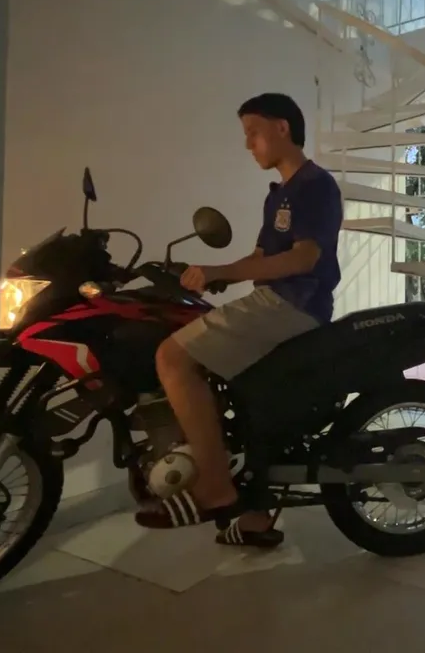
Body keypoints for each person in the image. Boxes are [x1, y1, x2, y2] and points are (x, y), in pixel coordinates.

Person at [136, 93, 342, 548]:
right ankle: (254, 516)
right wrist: (214, 275)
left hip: (294, 303)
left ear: (282, 128)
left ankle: (214, 487)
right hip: (278, 300)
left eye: (253, 132)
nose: (248, 144)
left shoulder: (315, 185)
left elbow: (304, 258)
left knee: (171, 358)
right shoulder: (279, 195)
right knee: (245, 400)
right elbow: (261, 257)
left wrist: (223, 272)